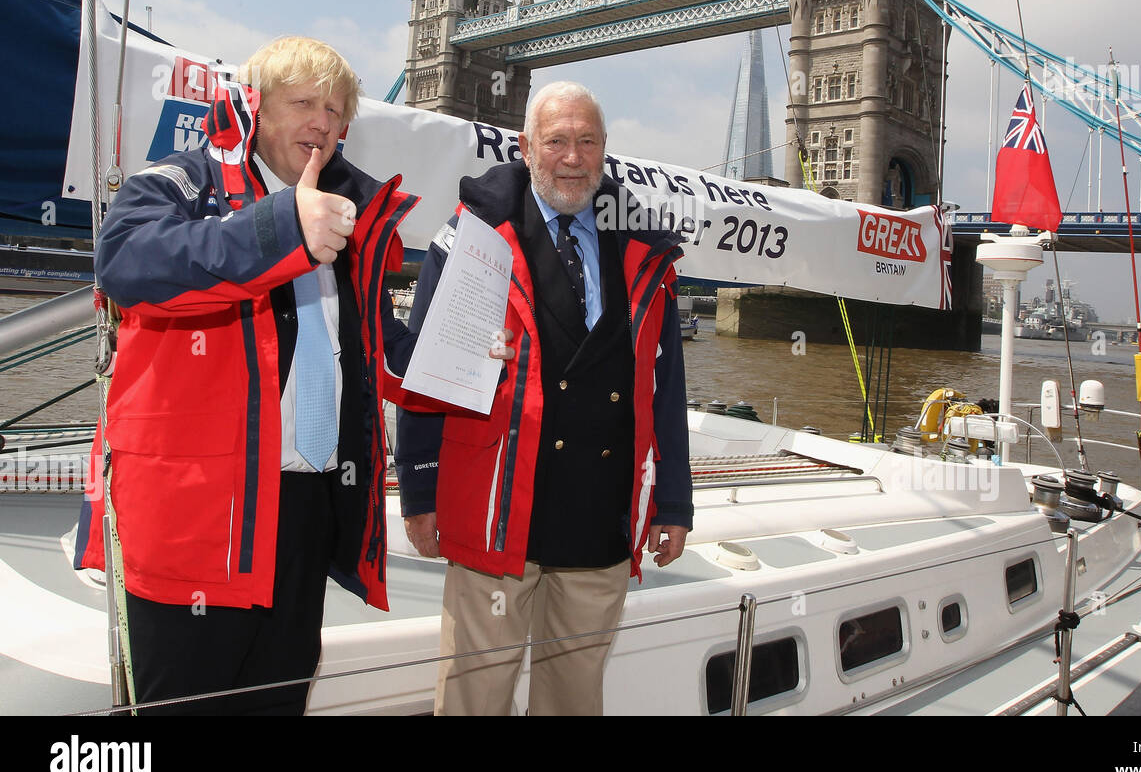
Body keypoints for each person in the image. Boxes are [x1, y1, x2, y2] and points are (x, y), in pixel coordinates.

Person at [75, 36, 429, 715]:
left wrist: (473, 361)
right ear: (256, 107)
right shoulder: (182, 183)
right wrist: (278, 230)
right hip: (197, 524)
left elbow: (385, 358)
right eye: (302, 104)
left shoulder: (352, 219)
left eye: (334, 110)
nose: (322, 123)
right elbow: (123, 262)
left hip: (302, 517)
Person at [396, 80, 693, 716]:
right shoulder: (473, 237)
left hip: (599, 514)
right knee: (476, 697)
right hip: (496, 505)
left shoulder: (645, 249)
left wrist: (672, 498)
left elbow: (665, 384)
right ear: (527, 147)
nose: (573, 157)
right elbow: (428, 370)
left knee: (574, 702)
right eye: (557, 141)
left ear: (605, 150)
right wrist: (420, 490)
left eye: (588, 141)